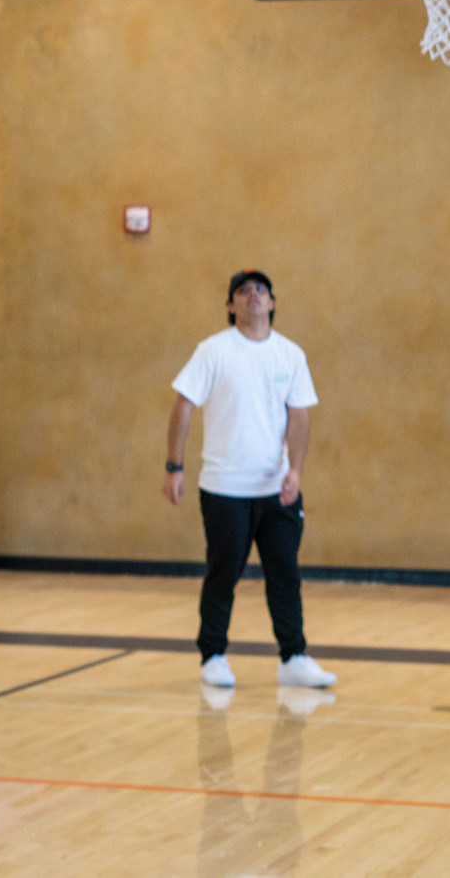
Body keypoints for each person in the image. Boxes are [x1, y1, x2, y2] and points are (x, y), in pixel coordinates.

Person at [164, 269, 337, 690]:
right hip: (224, 487)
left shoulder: (290, 355)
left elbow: (299, 415)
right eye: (242, 292)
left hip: (275, 488)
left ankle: (293, 656)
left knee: (285, 573)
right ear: (230, 306)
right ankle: (213, 655)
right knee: (223, 572)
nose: (253, 296)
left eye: (261, 290)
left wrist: (294, 470)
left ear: (273, 303)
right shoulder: (213, 351)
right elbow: (184, 405)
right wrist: (174, 465)